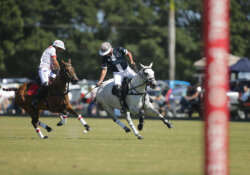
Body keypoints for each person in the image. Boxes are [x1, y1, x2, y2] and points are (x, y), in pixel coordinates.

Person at [97, 42, 137, 112]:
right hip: (117, 74)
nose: (106, 54)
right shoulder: (104, 58)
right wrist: (100, 80)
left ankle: (146, 96)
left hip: (127, 70)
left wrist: (132, 61)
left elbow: (129, 53)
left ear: (110, 49)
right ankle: (123, 105)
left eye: (107, 52)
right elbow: (104, 70)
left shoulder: (119, 49)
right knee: (117, 89)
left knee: (138, 80)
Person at [31, 40, 66, 109]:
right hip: (43, 69)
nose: (61, 50)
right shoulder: (52, 49)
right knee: (46, 85)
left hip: (50, 70)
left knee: (56, 83)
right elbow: (54, 61)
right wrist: (59, 69)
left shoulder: (52, 49)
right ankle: (35, 100)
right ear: (57, 46)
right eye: (60, 48)